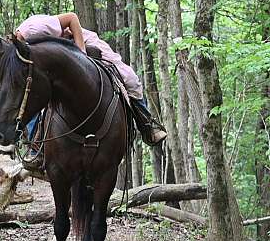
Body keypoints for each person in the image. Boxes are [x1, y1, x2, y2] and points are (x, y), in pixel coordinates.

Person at [15, 13, 167, 147]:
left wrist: (81, 53)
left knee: (129, 77)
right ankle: (35, 147)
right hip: (62, 56)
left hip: (81, 41)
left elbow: (72, 18)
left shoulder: (32, 29)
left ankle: (147, 125)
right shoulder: (25, 49)